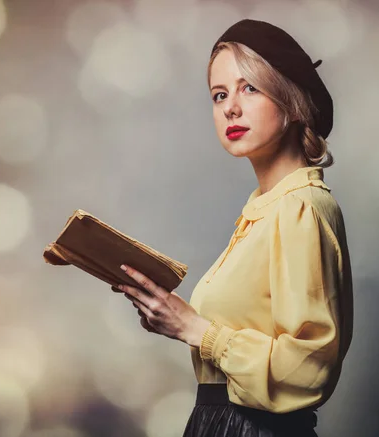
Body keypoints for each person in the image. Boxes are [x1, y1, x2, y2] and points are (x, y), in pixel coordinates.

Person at [113, 19, 353, 437]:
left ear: (292, 100)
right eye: (219, 94)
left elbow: (309, 367)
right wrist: (167, 316)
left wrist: (194, 328)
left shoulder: (301, 207)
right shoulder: (263, 210)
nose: (230, 108)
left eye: (250, 88)